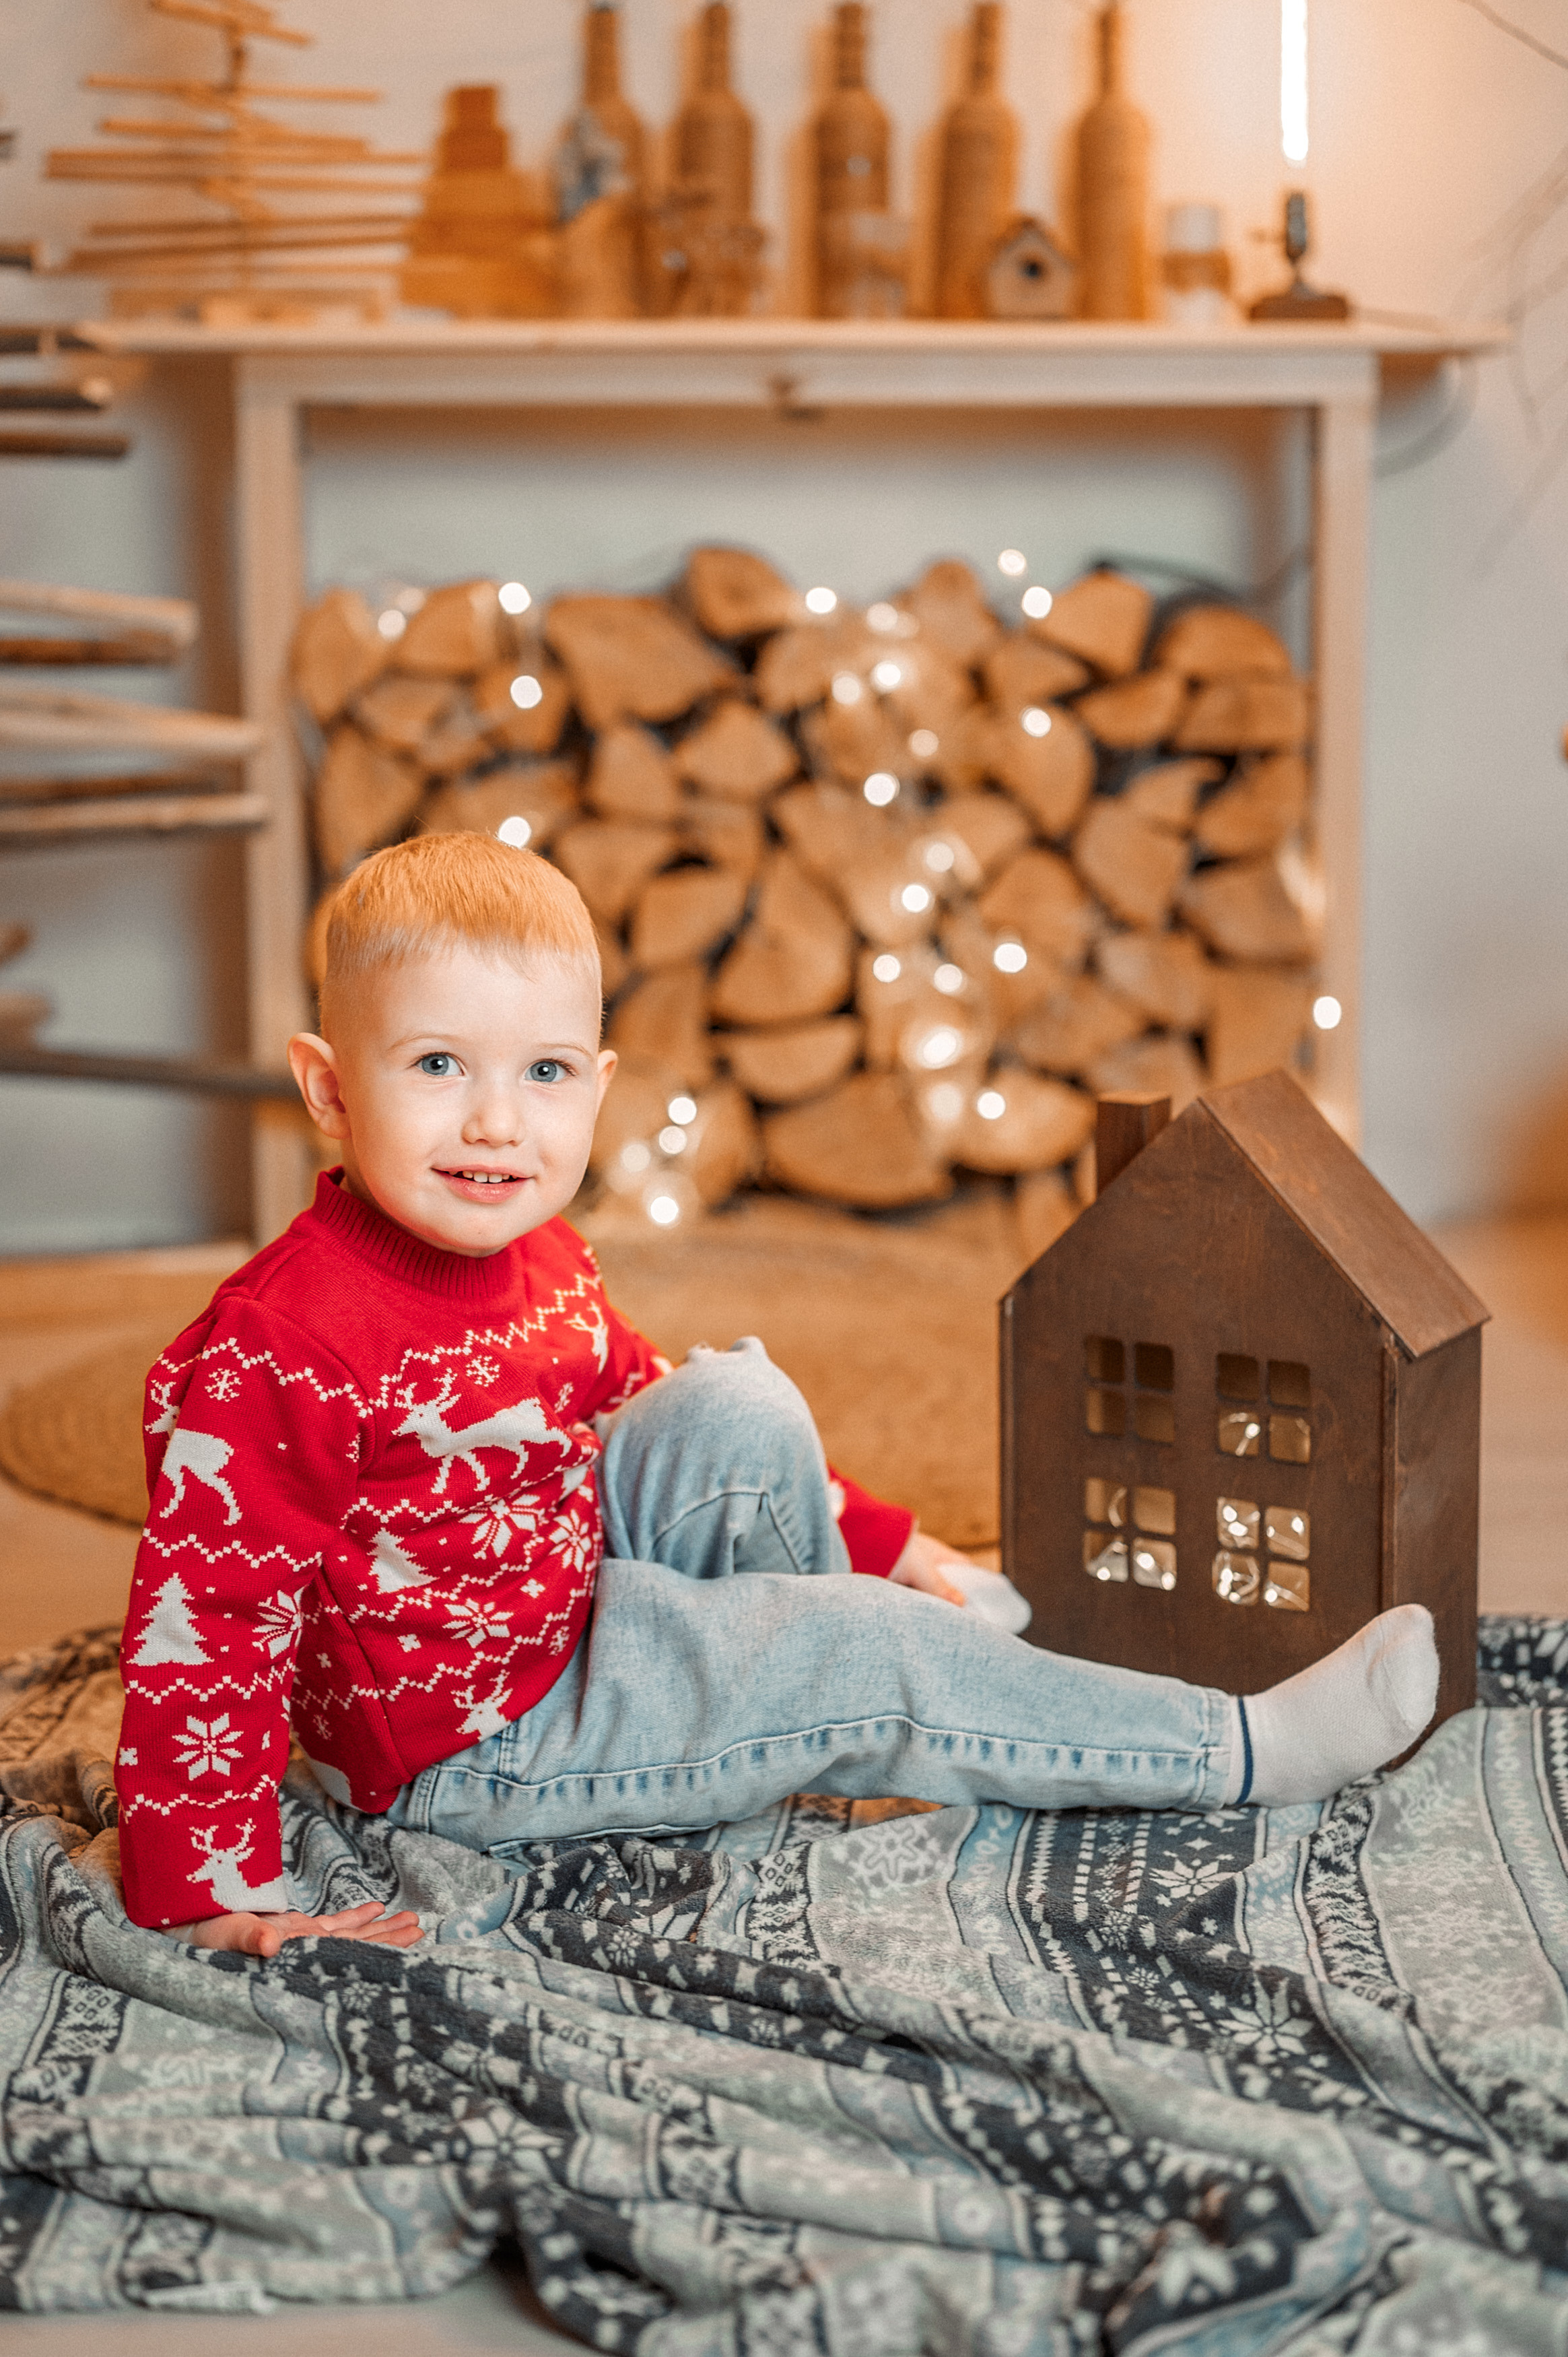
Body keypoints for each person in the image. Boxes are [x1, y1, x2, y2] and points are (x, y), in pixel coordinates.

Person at [114, 832, 1439, 1956]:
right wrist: (217, 1886)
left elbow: (632, 1395)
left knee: (729, 1400)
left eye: (544, 1072)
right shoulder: (280, 1347)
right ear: (331, 1090)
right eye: (438, 1066)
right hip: (470, 1742)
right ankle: (1234, 1747)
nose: (496, 1123)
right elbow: (206, 1612)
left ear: (598, 1086)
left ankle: (837, 1677)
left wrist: (891, 1541)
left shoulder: (536, 1252)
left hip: (558, 1599)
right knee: (847, 1649)